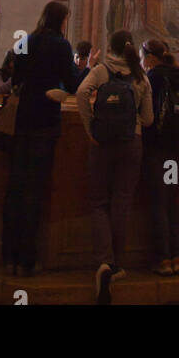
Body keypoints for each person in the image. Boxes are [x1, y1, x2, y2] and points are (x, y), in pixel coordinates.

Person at [3, 1, 80, 276]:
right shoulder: (61, 45)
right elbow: (72, 83)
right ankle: (27, 258)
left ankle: (8, 256)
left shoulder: (25, 40)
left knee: (15, 188)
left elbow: (14, 77)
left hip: (21, 120)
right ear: (61, 20)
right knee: (35, 191)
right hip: (45, 122)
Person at [76, 28, 153, 304]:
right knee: (122, 201)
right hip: (131, 143)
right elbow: (148, 119)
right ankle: (117, 264)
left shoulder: (101, 70)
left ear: (111, 47)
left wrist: (90, 128)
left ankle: (103, 263)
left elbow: (81, 93)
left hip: (103, 144)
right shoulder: (141, 75)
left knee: (98, 202)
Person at [140, 38, 179, 276]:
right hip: (177, 149)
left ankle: (162, 258)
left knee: (158, 203)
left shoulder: (153, 79)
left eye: (142, 57)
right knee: (171, 201)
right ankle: (177, 256)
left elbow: (146, 117)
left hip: (157, 148)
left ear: (149, 58)